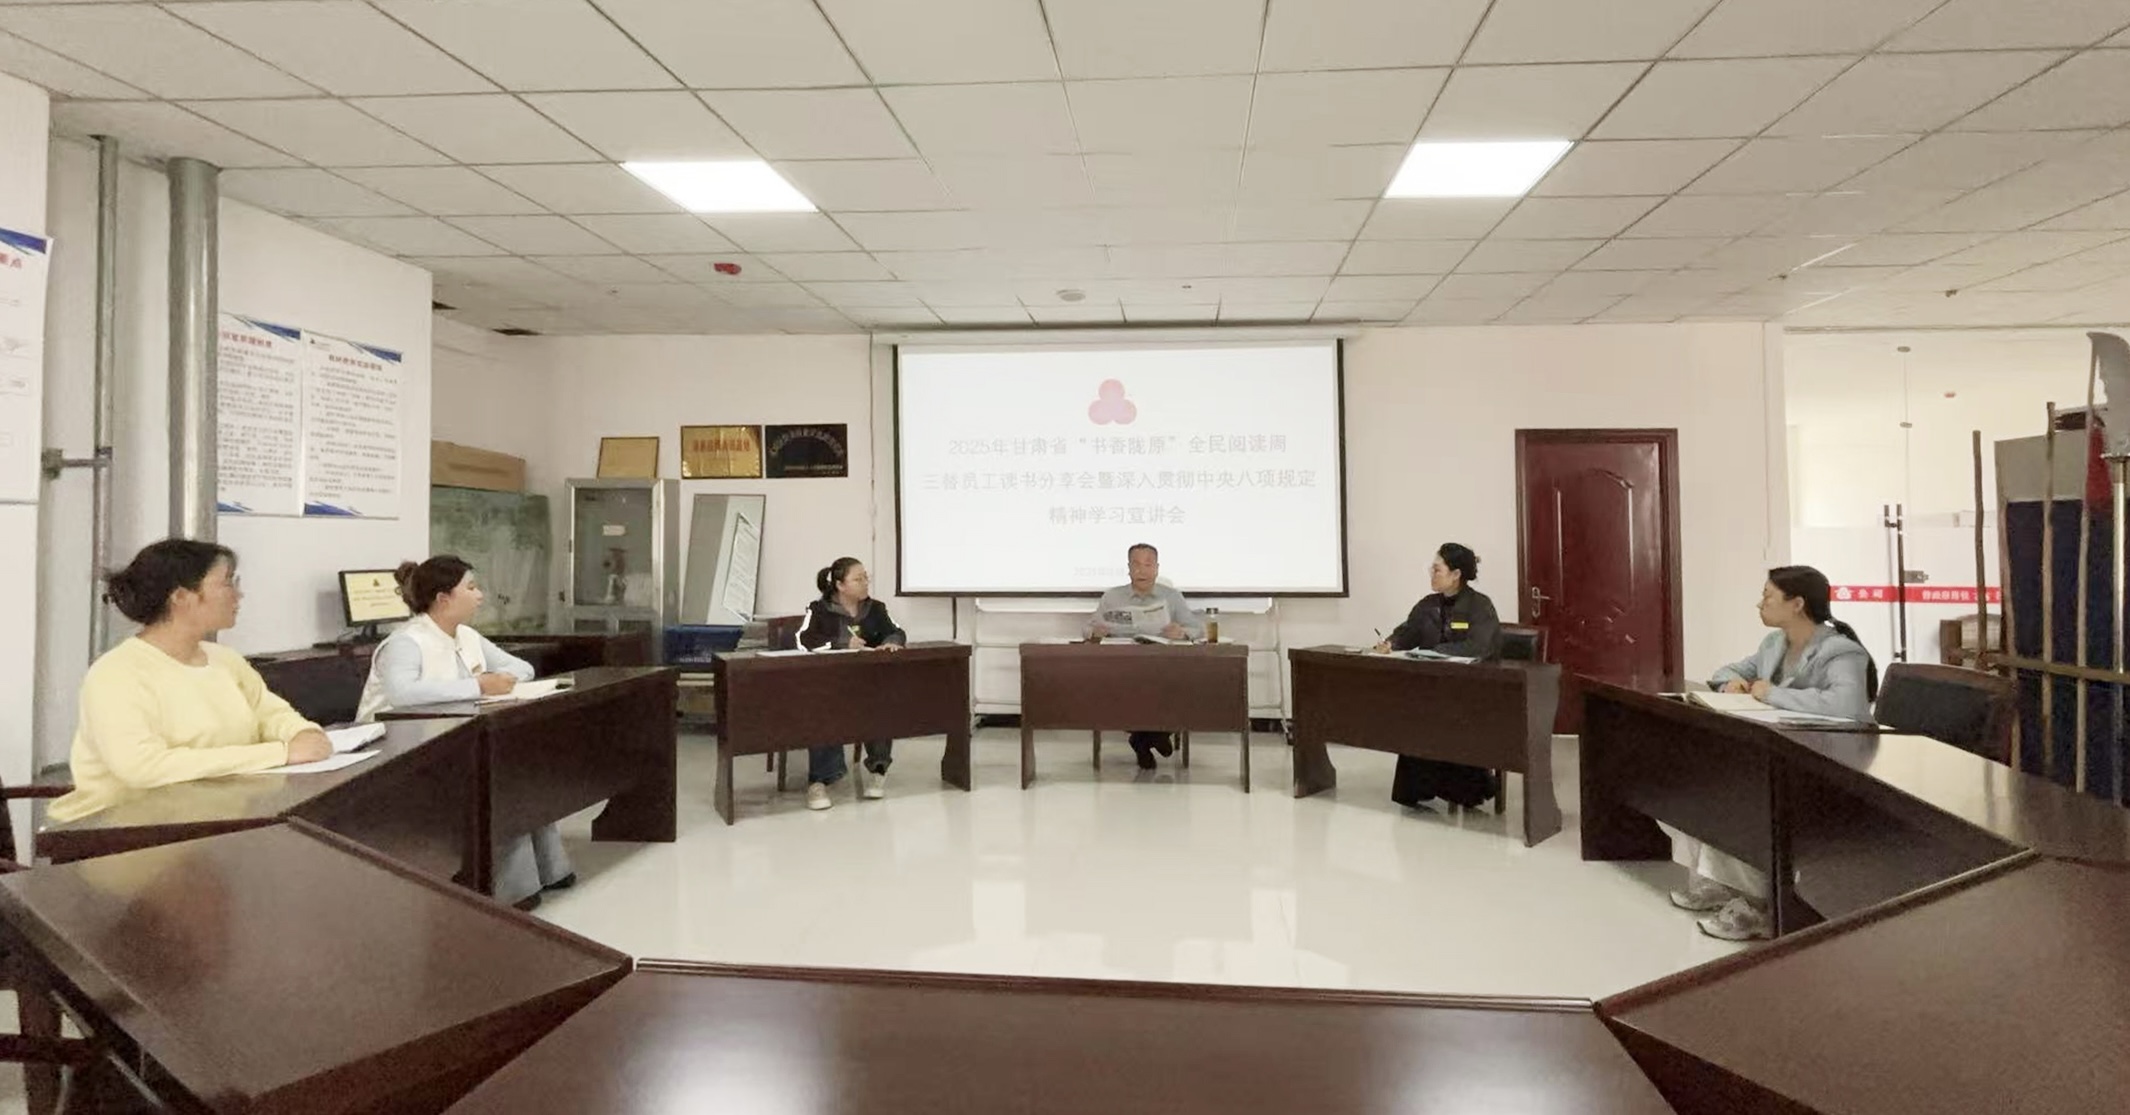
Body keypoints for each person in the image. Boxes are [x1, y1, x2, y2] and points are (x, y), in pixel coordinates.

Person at [49, 539, 333, 823]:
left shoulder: (225, 660)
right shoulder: (117, 673)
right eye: (227, 582)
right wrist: (280, 753)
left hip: (214, 817)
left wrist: (303, 733)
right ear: (181, 596)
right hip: (121, 831)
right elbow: (142, 767)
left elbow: (271, 713)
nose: (239, 594)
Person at [1668, 565, 1878, 942]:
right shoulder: (1773, 644)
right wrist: (1731, 683)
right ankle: (1720, 884)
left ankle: (1757, 904)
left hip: (1829, 761)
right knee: (1695, 784)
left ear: (1797, 604)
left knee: (1743, 797)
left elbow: (1847, 704)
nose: (1759, 603)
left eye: (1768, 596)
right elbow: (1727, 671)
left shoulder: (1841, 651)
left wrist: (1773, 694)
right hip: (1780, 750)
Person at [356, 555, 573, 909]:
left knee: (522, 771)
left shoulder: (466, 636)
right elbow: (402, 694)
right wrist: (478, 686)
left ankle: (550, 870)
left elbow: (522, 668)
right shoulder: (407, 642)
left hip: (448, 739)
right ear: (443, 599)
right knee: (496, 780)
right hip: (397, 751)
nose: (480, 595)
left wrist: (501, 680)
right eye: (470, 588)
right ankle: (514, 888)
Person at [1372, 543, 1503, 809]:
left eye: (1437, 569)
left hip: (1471, 689)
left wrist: (1435, 651)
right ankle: (1417, 789)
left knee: (1449, 714)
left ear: (1456, 574)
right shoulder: (1428, 605)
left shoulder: (1480, 606)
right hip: (1434, 686)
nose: (1431, 573)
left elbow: (1480, 646)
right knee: (1417, 712)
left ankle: (1464, 791)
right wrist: (1391, 643)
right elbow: (1408, 632)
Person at [797, 557, 905, 810]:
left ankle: (878, 769)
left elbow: (896, 631)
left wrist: (891, 642)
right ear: (840, 585)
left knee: (879, 703)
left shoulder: (876, 608)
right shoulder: (819, 609)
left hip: (866, 681)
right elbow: (805, 639)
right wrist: (840, 643)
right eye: (858, 579)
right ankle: (819, 781)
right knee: (824, 709)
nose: (865, 582)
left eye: (866, 577)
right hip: (829, 682)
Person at [1085, 542, 1205, 769]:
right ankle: (1153, 736)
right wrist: (1095, 632)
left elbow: (1197, 629)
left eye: (1148, 564)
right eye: (1136, 565)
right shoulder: (1112, 597)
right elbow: (1088, 628)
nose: (1142, 570)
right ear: (1128, 568)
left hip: (1164, 666)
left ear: (1157, 568)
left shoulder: (1171, 597)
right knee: (1125, 687)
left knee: (1179, 685)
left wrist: (1181, 632)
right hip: (1123, 668)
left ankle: (1143, 739)